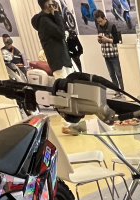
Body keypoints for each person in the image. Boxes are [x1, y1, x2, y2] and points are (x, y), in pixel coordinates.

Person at [32, 0, 80, 134]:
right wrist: (57, 13)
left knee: (71, 90)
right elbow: (60, 34)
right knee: (64, 93)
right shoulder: (43, 21)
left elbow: (62, 29)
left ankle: (71, 122)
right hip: (58, 61)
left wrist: (56, 14)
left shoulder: (49, 19)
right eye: (51, 1)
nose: (54, 3)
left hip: (63, 59)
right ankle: (66, 124)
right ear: (46, 4)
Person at [94, 9, 124, 93]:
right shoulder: (99, 27)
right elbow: (101, 41)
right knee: (112, 75)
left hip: (114, 54)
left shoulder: (112, 26)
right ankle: (117, 91)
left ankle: (123, 90)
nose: (100, 23)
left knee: (119, 74)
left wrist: (107, 39)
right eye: (98, 22)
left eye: (101, 21)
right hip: (106, 55)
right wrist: (100, 40)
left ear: (104, 18)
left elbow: (117, 40)